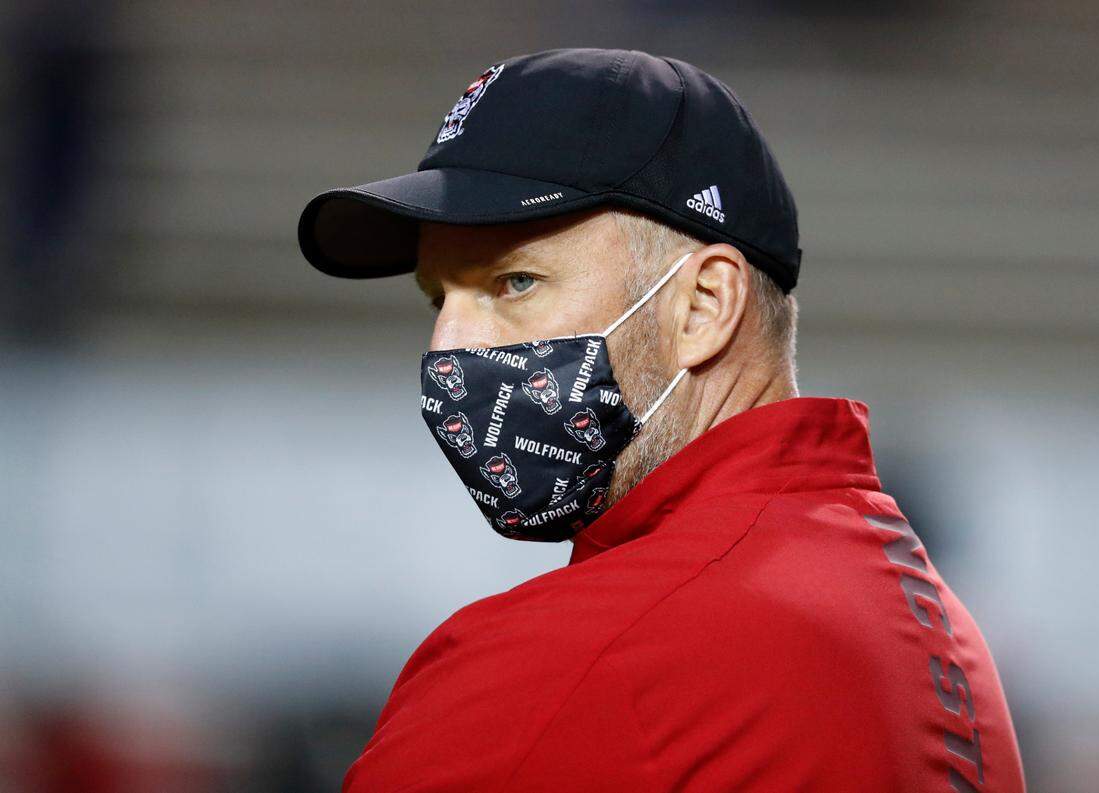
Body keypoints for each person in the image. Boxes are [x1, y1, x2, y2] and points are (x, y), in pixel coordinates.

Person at [298, 48, 1025, 792]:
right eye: (436, 298)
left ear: (705, 306)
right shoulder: (937, 635)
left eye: (514, 281)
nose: (446, 345)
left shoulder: (569, 661)